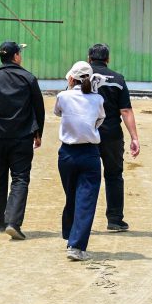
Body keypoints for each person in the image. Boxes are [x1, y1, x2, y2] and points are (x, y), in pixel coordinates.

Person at [0, 41, 45, 240]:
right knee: (20, 178)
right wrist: (39, 132)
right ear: (15, 56)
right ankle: (13, 221)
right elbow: (39, 107)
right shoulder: (28, 78)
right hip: (22, 136)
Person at [55, 62, 107, 261]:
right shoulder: (98, 99)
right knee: (85, 199)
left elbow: (58, 113)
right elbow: (99, 120)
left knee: (72, 195)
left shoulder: (63, 96)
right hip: (89, 153)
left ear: (71, 78)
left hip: (67, 154)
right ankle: (75, 245)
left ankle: (70, 234)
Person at [87, 43, 141, 231]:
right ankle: (115, 219)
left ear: (89, 58)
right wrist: (134, 137)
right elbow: (125, 110)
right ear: (107, 59)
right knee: (114, 175)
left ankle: (82, 220)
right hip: (111, 135)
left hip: (86, 134)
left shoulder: (81, 77)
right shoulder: (117, 79)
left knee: (85, 177)